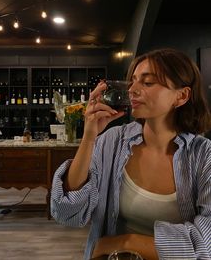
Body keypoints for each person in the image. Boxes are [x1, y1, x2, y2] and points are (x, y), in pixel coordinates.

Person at [51, 48, 211, 260]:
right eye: (133, 81)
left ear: (181, 96)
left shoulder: (203, 155)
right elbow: (67, 213)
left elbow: (206, 240)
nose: (132, 89)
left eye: (147, 82)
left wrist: (127, 242)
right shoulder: (112, 141)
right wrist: (89, 137)